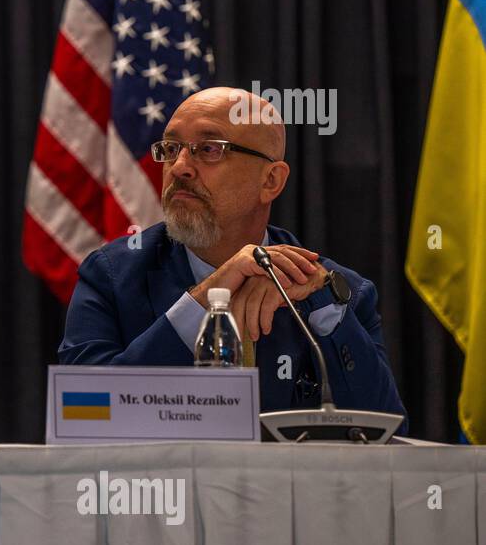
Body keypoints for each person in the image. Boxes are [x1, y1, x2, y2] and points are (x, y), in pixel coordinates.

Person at [58, 86, 407, 429]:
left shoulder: (336, 292)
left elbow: (387, 431)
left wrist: (323, 303)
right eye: (171, 148)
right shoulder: (112, 276)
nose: (179, 167)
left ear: (270, 180)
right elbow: (82, 412)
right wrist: (205, 299)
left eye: (208, 149)